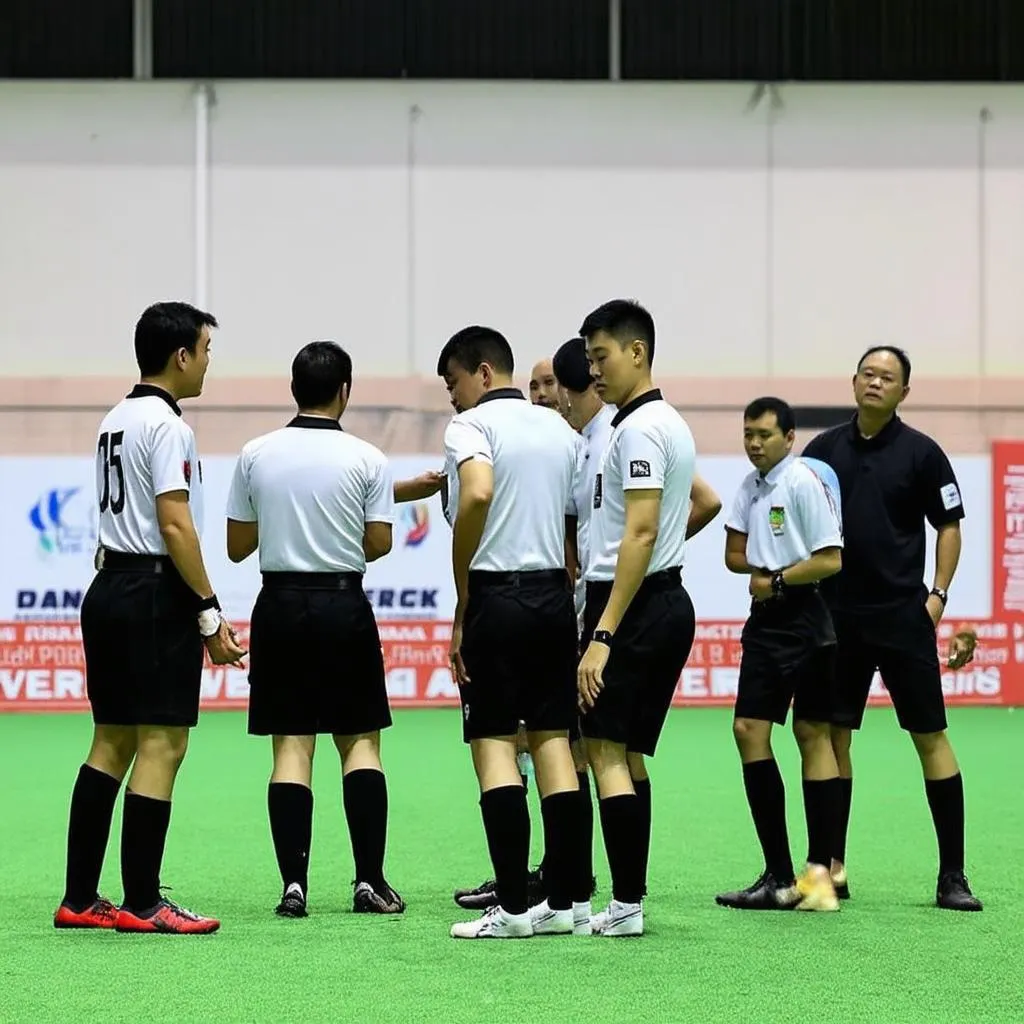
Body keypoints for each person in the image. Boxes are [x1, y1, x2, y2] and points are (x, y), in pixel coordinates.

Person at [54, 301, 245, 935]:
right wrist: (210, 613)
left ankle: (80, 897)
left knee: (111, 741)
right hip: (151, 595)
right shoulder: (169, 427)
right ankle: (142, 903)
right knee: (164, 741)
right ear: (180, 355)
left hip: (108, 588)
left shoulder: (114, 418)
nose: (208, 365)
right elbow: (173, 523)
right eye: (206, 352)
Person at [225, 342, 404, 919]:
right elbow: (379, 543)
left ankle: (293, 886)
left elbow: (236, 546)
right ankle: (369, 881)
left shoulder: (256, 454)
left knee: (291, 747)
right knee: (360, 744)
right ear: (345, 390)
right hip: (343, 605)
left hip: (278, 606)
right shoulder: (368, 458)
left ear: (294, 388)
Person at [802, 345, 982, 911]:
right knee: (834, 737)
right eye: (868, 374)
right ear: (853, 381)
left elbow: (949, 526)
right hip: (835, 619)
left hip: (903, 617)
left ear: (905, 392)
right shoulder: (821, 452)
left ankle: (952, 875)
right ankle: (831, 867)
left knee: (930, 737)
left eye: (889, 378)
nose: (876, 383)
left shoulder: (924, 454)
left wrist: (938, 596)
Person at [439, 326, 588, 939]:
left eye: (453, 384)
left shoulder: (471, 427)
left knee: (495, 743)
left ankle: (514, 910)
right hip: (554, 596)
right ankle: (568, 903)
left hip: (498, 597)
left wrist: (463, 594)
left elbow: (476, 492)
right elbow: (576, 519)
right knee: (554, 742)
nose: (452, 398)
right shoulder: (560, 427)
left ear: (479, 372)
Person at [575, 299, 698, 938]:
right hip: (658, 599)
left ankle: (624, 905)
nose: (594, 370)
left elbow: (643, 532)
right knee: (626, 754)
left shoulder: (643, 429)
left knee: (604, 751)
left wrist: (601, 634)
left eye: (601, 357)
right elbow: (690, 508)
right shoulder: (656, 422)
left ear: (637, 352)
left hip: (637, 606)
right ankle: (630, 898)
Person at [715, 397, 844, 913]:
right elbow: (732, 556)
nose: (753, 443)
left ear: (789, 438)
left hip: (807, 617)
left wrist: (778, 579)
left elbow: (831, 559)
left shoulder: (802, 483)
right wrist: (763, 578)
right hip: (768, 623)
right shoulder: (748, 487)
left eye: (764, 435)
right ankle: (776, 873)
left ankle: (818, 878)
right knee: (750, 730)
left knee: (814, 735)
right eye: (748, 433)